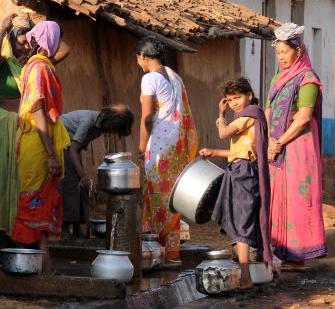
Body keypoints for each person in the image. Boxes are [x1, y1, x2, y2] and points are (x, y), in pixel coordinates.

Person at [0, 13, 70, 260]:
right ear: (10, 42)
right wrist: (3, 27)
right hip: (8, 130)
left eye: (28, 41)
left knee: (24, 190)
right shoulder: (2, 65)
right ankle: (1, 246)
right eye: (20, 42)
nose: (24, 45)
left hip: (28, 133)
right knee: (4, 185)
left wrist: (36, 30)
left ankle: (25, 249)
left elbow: (64, 48)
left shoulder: (35, 67)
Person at [199, 78, 272, 289]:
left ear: (249, 95)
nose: (234, 104)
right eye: (230, 100)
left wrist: (220, 115)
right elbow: (239, 152)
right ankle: (251, 271)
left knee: (242, 223)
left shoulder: (249, 115)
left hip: (244, 173)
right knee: (243, 221)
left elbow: (223, 133)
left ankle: (246, 276)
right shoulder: (248, 118)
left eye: (237, 98)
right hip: (240, 169)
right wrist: (214, 153)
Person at [12, 20, 71, 274]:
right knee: (34, 203)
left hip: (39, 142)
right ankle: (36, 267)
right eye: (54, 40)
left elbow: (65, 48)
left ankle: (42, 266)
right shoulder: (39, 69)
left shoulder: (38, 65)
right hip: (38, 145)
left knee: (43, 202)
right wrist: (50, 153)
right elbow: (37, 109)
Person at [266, 23, 326, 268]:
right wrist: (270, 139)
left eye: (284, 52)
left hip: (298, 147)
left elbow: (303, 118)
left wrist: (279, 141)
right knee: (275, 194)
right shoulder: (277, 78)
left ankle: (298, 255)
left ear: (298, 51)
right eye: (277, 52)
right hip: (276, 146)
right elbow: (269, 111)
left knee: (296, 196)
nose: (280, 56)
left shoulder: (308, 79)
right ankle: (278, 250)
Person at [136, 37, 198, 263]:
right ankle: (171, 253)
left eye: (138, 58)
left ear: (143, 56)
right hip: (177, 145)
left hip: (160, 146)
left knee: (159, 198)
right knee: (171, 197)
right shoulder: (174, 76)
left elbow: (147, 116)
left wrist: (142, 147)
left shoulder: (150, 79)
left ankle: (163, 254)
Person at [59, 105, 134, 238]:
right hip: (61, 144)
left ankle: (77, 229)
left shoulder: (99, 128)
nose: (112, 134)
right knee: (70, 185)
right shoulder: (88, 122)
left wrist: (81, 174)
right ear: (111, 123)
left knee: (82, 185)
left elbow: (77, 147)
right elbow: (73, 150)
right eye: (114, 130)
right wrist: (81, 174)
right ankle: (65, 229)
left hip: (72, 148)